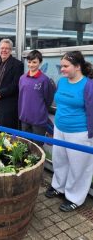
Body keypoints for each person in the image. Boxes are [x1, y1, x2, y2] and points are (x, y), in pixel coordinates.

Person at [45, 51, 93, 212]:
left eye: (66, 66)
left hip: (80, 133)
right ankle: (59, 186)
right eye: (61, 66)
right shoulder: (62, 82)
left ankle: (75, 198)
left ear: (78, 66)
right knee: (60, 160)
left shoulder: (88, 85)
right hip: (60, 128)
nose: (62, 69)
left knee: (79, 166)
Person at [18, 50, 55, 146]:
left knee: (37, 147)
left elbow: (48, 99)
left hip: (38, 119)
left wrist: (39, 110)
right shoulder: (22, 78)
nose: (31, 65)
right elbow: (22, 97)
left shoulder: (44, 80)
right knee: (25, 145)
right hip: (24, 117)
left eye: (34, 62)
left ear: (40, 62)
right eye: (29, 62)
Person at [0, 38, 24, 129]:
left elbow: (15, 85)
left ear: (11, 50)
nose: (4, 50)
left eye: (7, 48)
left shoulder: (17, 65)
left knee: (6, 135)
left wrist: (0, 94)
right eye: (2, 48)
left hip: (7, 106)